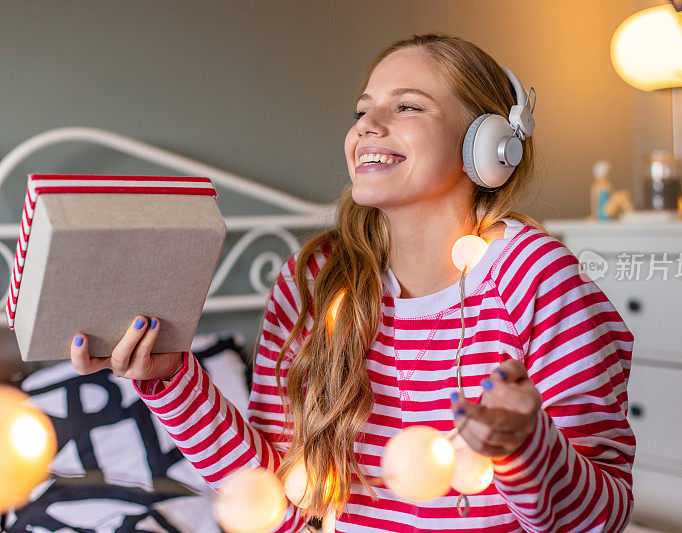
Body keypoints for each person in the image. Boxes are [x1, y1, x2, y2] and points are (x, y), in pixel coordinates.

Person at [70, 33, 635, 532]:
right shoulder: (313, 282)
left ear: (487, 144)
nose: (368, 125)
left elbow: (600, 518)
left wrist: (527, 449)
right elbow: (280, 507)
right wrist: (171, 382)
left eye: (407, 106)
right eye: (362, 110)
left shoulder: (537, 276)